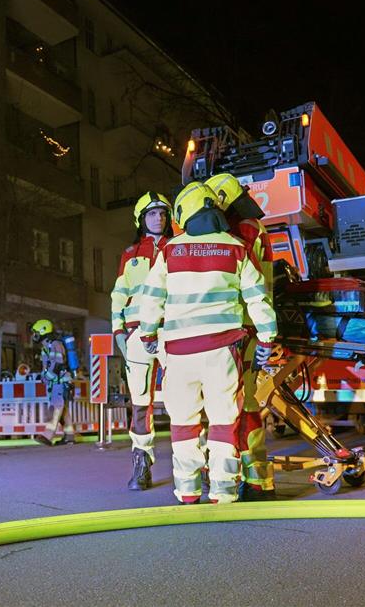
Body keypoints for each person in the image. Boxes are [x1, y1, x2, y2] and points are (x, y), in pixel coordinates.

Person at [137, 182, 277, 504]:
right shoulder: (236, 246)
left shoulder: (170, 250)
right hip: (223, 352)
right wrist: (268, 338)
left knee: (184, 424)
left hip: (179, 354)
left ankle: (187, 492)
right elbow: (258, 299)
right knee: (224, 422)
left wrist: (147, 335)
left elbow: (151, 299)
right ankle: (224, 492)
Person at [205, 172, 276, 501]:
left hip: (238, 328)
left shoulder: (239, 231)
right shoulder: (255, 227)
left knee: (235, 406)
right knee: (243, 404)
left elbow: (235, 280)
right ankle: (255, 480)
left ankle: (242, 482)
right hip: (251, 327)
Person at [110, 191, 173, 490]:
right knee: (140, 403)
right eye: (151, 214)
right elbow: (119, 294)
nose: (158, 218)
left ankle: (197, 464)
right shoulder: (131, 253)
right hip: (136, 334)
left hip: (171, 331)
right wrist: (118, 331)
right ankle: (141, 462)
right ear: (141, 219)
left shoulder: (179, 247)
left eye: (162, 213)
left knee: (186, 399)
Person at [31, 319, 76, 446]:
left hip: (59, 381)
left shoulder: (54, 344)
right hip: (57, 381)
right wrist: (44, 376)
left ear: (43, 331)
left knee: (56, 407)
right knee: (63, 409)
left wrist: (48, 376)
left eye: (35, 332)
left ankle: (47, 435)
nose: (34, 336)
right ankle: (69, 436)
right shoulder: (47, 345)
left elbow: (57, 363)